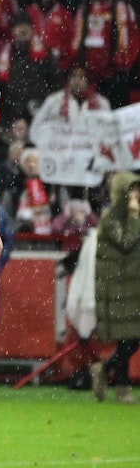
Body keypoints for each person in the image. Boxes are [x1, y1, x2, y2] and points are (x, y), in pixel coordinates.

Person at [92, 172, 140, 405]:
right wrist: (134, 216)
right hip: (118, 288)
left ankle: (104, 369)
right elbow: (126, 242)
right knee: (127, 338)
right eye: (132, 190)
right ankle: (122, 387)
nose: (136, 194)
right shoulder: (111, 217)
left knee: (132, 339)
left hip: (133, 287)